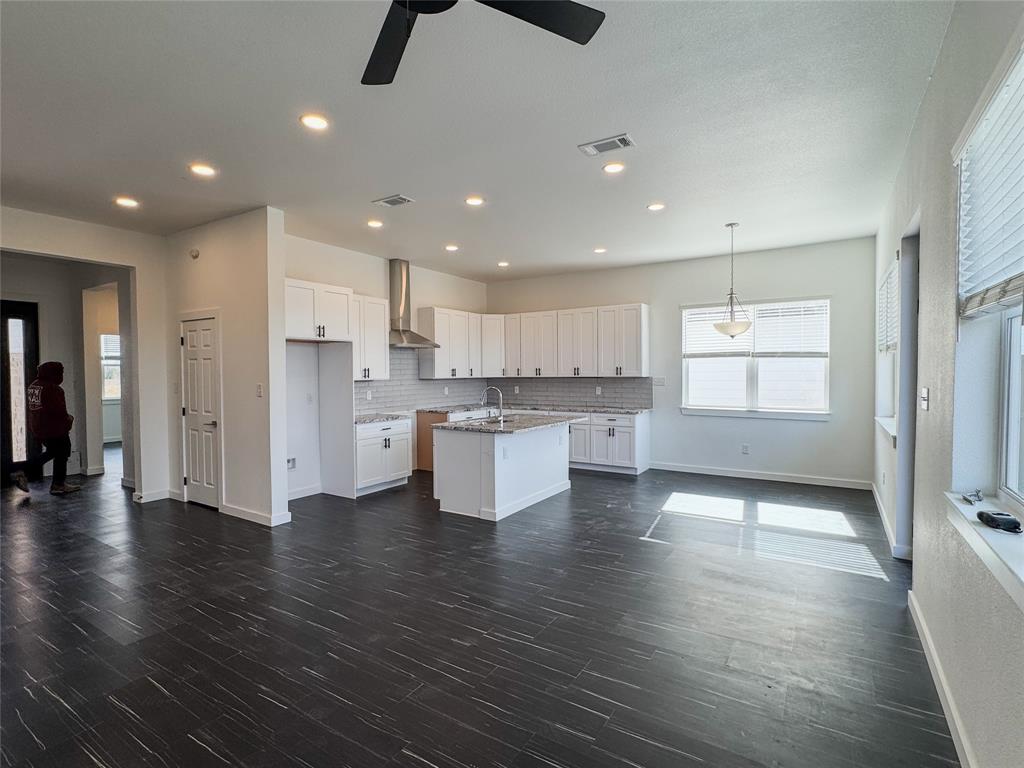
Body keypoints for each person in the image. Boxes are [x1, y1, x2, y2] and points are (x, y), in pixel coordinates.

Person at [10, 361, 80, 495]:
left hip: (39, 428)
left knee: (54, 452)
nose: (61, 375)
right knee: (61, 451)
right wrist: (68, 420)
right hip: (54, 429)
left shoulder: (34, 386)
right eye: (61, 372)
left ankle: (55, 483)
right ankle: (55, 483)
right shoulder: (53, 389)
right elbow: (59, 411)